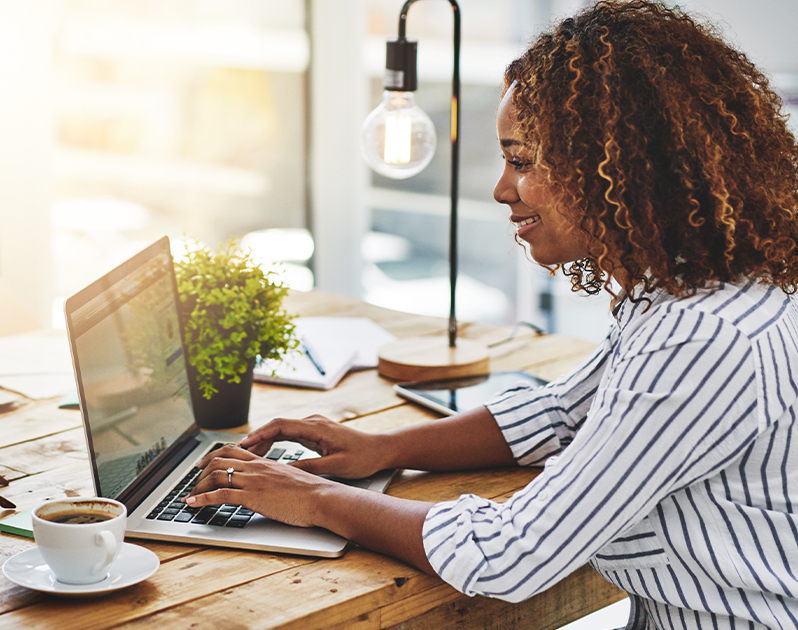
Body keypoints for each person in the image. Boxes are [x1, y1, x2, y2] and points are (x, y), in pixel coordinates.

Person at [186, 1, 798, 627]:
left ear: (613, 164)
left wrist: (312, 497)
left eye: (523, 160)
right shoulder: (700, 292)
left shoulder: (700, 336)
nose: (503, 189)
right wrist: (381, 448)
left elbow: (512, 553)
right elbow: (561, 413)